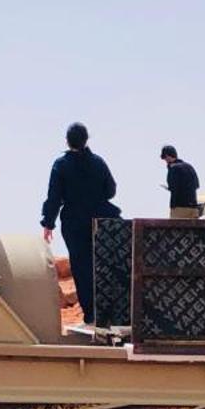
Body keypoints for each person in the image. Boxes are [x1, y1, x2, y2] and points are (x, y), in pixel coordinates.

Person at [41, 122, 121, 324]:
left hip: (74, 222)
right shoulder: (98, 162)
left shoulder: (61, 165)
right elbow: (111, 190)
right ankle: (110, 312)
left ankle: (91, 314)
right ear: (87, 140)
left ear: (67, 141)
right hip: (101, 220)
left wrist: (48, 223)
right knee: (104, 264)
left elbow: (54, 197)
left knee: (81, 266)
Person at [161, 144, 200, 219]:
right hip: (194, 208)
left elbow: (174, 187)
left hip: (179, 208)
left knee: (176, 230)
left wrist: (169, 188)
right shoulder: (190, 167)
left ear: (167, 156)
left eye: (164, 158)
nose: (165, 161)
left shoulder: (173, 168)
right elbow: (197, 185)